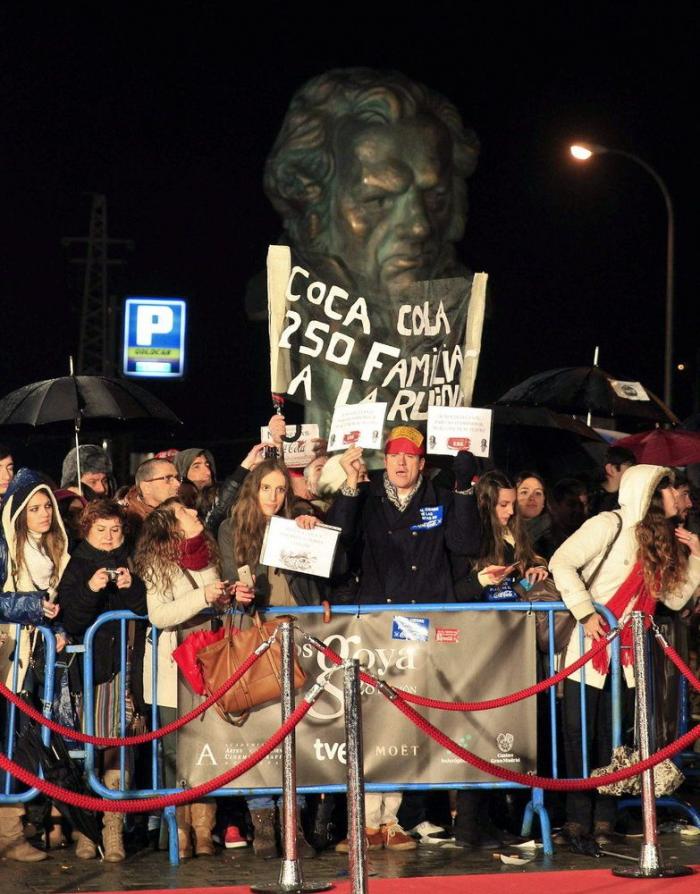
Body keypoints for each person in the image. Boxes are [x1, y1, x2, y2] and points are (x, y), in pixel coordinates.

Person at [328, 426, 479, 851]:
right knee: (371, 722)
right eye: (394, 455)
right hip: (376, 625)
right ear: (385, 459)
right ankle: (361, 821)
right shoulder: (368, 496)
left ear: (422, 464)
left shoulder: (441, 498)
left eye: (409, 456)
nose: (400, 462)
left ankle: (390, 820)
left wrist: (464, 486)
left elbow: (466, 543)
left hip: (423, 624)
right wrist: (348, 488)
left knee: (407, 725)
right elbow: (337, 544)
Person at [550, 464, 700, 846]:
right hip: (590, 649)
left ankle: (604, 822)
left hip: (631, 657)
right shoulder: (607, 525)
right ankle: (575, 821)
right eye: (669, 491)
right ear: (650, 495)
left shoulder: (661, 540)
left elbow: (674, 598)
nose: (678, 498)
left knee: (615, 741)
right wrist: (585, 611)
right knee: (578, 736)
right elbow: (561, 562)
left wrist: (697, 557)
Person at [217, 458, 323, 858]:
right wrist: (240, 590)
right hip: (254, 631)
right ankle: (262, 820)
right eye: (267, 488)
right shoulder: (233, 527)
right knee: (259, 730)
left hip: (297, 628)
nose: (274, 497)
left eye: (281, 490)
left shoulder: (297, 520)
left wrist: (305, 529)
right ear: (254, 488)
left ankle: (292, 821)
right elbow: (233, 576)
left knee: (296, 730)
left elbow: (318, 573)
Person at [134, 498, 241, 860]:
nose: (196, 514)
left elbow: (216, 603)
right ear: (171, 526)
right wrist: (202, 596)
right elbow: (159, 615)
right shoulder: (156, 563)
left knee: (206, 748)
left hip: (208, 661)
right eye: (185, 513)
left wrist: (228, 596)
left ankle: (203, 829)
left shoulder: (207, 555)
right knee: (174, 753)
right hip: (173, 664)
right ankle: (177, 830)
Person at [58, 499, 147, 861]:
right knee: (89, 748)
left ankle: (113, 830)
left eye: (115, 530)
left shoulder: (133, 559)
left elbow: (143, 608)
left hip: (124, 668)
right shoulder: (77, 564)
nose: (109, 538)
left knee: (118, 745)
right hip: (90, 670)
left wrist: (130, 586)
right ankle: (86, 828)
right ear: (87, 531)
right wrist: (91, 589)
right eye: (101, 530)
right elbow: (74, 619)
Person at [0, 469, 68, 860]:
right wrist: (31, 606)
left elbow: (48, 605)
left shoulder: (54, 550)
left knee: (24, 745)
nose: (43, 514)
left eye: (47, 507)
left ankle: (28, 826)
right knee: (8, 745)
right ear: (20, 513)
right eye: (35, 508)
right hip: (7, 656)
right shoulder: (6, 548)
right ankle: (9, 835)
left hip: (34, 660)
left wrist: (56, 625)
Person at [122, 457, 182, 540]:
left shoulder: (182, 512)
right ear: (146, 487)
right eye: (168, 478)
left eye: (177, 478)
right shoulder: (126, 521)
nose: (177, 484)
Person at [588, 446, 637, 516]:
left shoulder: (631, 495)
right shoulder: (592, 497)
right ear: (611, 469)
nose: (633, 471)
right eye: (629, 466)